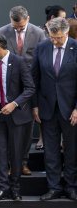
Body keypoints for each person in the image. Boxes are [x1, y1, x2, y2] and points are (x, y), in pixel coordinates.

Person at [0, 33, 35, 202]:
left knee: (16, 153)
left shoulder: (19, 62)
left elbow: (30, 88)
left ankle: (15, 188)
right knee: (2, 153)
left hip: (17, 116)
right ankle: (2, 188)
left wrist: (14, 103)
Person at [31, 17, 77, 201]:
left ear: (66, 33)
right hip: (47, 107)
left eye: (58, 38)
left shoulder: (75, 48)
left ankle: (72, 187)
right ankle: (54, 187)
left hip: (71, 110)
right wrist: (34, 105)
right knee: (50, 151)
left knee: (72, 150)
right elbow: (34, 79)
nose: (55, 41)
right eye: (52, 37)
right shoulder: (42, 47)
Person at [0, 6, 46, 175]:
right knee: (11, 129)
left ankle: (23, 162)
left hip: (30, 86)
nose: (17, 29)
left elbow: (42, 60)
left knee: (26, 127)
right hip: (9, 86)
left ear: (28, 19)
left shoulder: (39, 34)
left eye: (21, 27)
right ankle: (12, 164)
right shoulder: (2, 32)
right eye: (14, 27)